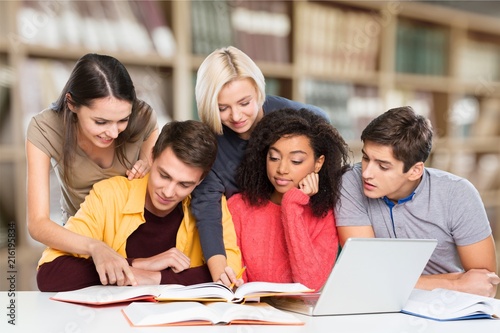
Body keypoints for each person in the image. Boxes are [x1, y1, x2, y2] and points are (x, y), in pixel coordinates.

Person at [37, 120, 242, 292]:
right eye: (164, 175)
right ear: (151, 157)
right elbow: (50, 274)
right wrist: (136, 265)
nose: (169, 192)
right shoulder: (109, 195)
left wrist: (154, 278)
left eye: (184, 184)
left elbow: (228, 275)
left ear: (200, 180)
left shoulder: (211, 205)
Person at [191, 46, 329, 282]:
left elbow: (326, 147)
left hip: (301, 233)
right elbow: (207, 211)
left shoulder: (297, 117)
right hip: (247, 246)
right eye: (222, 108)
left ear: (258, 90)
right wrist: (220, 270)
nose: (236, 116)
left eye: (245, 103)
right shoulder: (211, 145)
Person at [335, 106, 500, 297]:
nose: (366, 173)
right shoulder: (350, 182)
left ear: (415, 171)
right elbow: (365, 273)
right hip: (379, 304)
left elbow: (485, 284)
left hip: (447, 308)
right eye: (365, 158)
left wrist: (390, 282)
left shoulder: (458, 194)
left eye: (383, 166)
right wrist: (455, 284)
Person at [26, 53, 159, 287]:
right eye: (101, 122)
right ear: (71, 103)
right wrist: (95, 247)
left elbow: (155, 151)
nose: (115, 133)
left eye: (122, 120)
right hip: (82, 242)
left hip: (135, 236)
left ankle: (135, 265)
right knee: (54, 277)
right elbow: (37, 223)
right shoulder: (45, 128)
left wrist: (148, 162)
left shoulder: (143, 117)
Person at [227, 108, 349, 291]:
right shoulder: (239, 207)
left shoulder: (325, 215)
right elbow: (237, 285)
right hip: (250, 314)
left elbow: (309, 284)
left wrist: (292, 205)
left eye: (296, 161)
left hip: (302, 317)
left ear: (318, 163)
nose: (282, 168)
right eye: (274, 157)